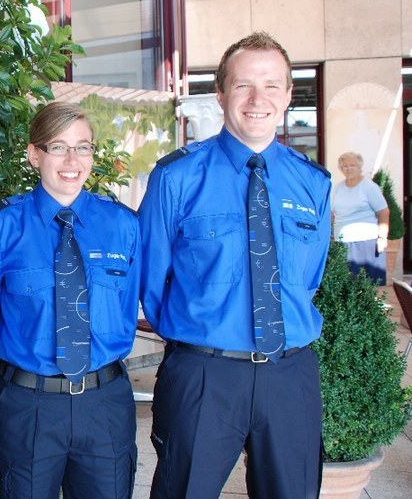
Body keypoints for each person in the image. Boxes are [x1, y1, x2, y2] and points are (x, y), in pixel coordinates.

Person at [139, 31, 332, 498]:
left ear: (288, 94)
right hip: (204, 374)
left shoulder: (313, 182)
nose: (258, 99)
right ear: (222, 93)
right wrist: (201, 332)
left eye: (272, 85)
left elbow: (308, 279)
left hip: (290, 376)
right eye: (244, 84)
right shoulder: (177, 176)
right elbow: (151, 277)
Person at [0, 101, 140, 498]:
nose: (73, 160)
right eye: (58, 147)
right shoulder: (0, 227)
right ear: (35, 154)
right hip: (27, 406)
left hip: (104, 404)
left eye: (83, 147)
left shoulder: (122, 224)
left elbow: (127, 307)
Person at [332, 151, 390, 285]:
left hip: (366, 242)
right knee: (347, 284)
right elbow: (331, 213)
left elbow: (383, 212)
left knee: (370, 285)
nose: (349, 168)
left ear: (359, 167)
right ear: (341, 169)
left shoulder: (369, 187)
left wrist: (382, 238)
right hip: (343, 242)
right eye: (345, 166)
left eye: (352, 165)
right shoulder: (338, 188)